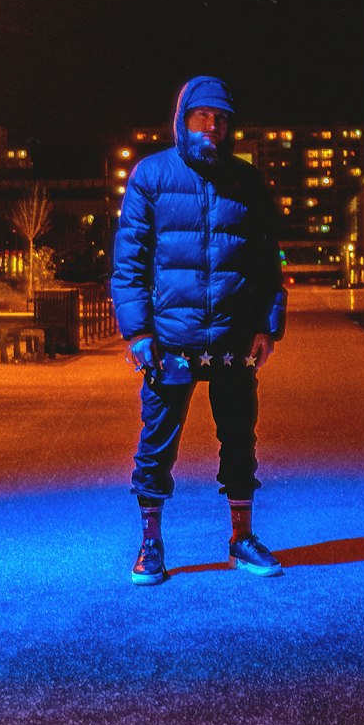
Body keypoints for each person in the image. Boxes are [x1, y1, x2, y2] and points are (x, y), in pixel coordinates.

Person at [111, 75, 288, 586]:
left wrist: (267, 326)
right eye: (201, 116)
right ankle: (151, 542)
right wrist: (137, 332)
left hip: (233, 339)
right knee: (157, 442)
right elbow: (130, 261)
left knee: (239, 439)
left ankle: (242, 538)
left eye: (221, 119)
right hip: (170, 340)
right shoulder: (152, 175)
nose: (211, 127)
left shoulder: (247, 182)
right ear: (183, 119)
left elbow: (266, 261)